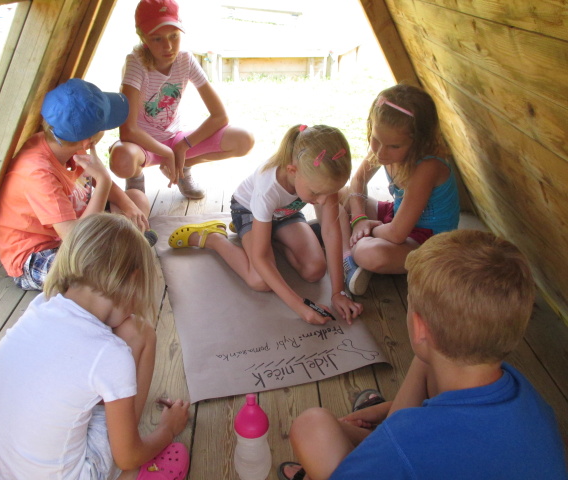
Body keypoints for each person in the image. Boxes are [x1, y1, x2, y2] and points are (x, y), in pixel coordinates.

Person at [278, 229, 567, 480]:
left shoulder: (408, 443)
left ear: (418, 326)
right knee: (431, 357)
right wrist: (379, 413)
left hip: (410, 451)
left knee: (310, 427)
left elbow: (409, 446)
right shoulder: (525, 393)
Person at [0, 213, 191, 480]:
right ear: (133, 279)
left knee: (132, 332)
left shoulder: (42, 305)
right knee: (142, 334)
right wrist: (167, 429)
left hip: (9, 469)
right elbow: (127, 456)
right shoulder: (111, 355)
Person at [168, 124, 363, 325]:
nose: (322, 201)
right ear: (292, 171)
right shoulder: (268, 187)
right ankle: (213, 238)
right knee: (259, 280)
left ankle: (267, 237)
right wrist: (300, 306)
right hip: (249, 211)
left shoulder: (323, 178)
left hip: (285, 213)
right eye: (315, 193)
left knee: (315, 270)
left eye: (328, 193)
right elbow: (260, 259)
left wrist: (338, 293)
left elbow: (330, 231)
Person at [0, 78, 155, 291]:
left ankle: (122, 249)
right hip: (39, 253)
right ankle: (124, 250)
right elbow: (76, 239)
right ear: (89, 142)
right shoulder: (38, 172)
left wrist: (130, 208)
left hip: (76, 229)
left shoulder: (66, 140)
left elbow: (100, 211)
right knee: (92, 270)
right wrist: (104, 182)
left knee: (136, 198)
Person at [109, 0, 254, 200]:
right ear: (143, 38)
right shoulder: (136, 62)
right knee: (121, 159)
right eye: (157, 38)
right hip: (142, 145)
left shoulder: (185, 59)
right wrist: (167, 153)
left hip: (175, 138)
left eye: (174, 36)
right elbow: (128, 131)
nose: (168, 46)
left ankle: (183, 166)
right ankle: (135, 177)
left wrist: (183, 146)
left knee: (244, 139)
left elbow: (220, 117)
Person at [341, 84, 460, 296]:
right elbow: (358, 180)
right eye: (375, 139)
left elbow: (397, 234)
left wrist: (370, 229)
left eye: (394, 146)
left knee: (371, 254)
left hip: (427, 241)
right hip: (398, 218)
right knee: (336, 194)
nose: (381, 152)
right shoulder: (385, 145)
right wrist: (359, 219)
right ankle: (348, 253)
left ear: (419, 142)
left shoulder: (427, 166)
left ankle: (350, 246)